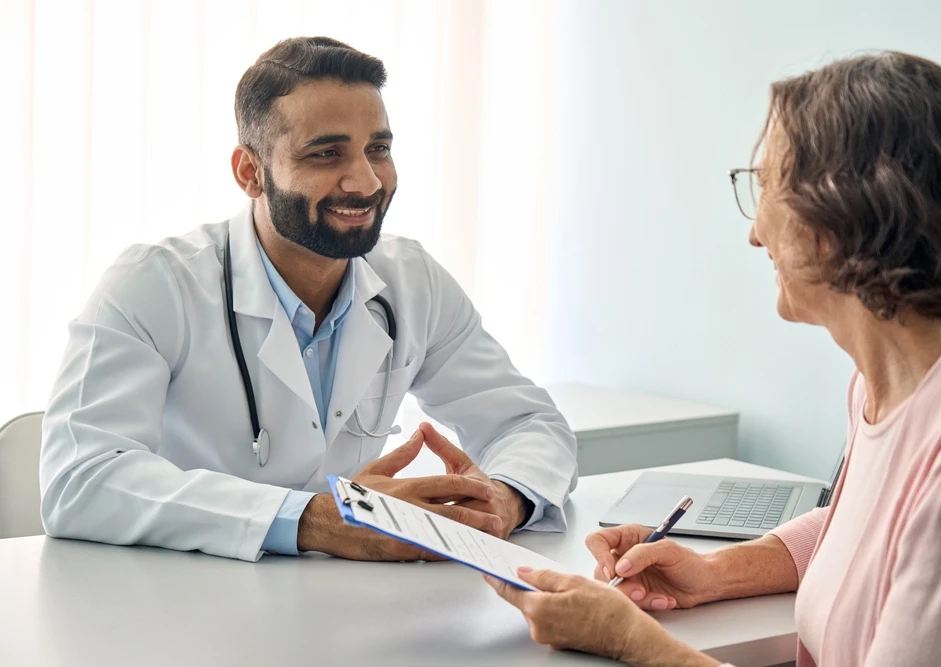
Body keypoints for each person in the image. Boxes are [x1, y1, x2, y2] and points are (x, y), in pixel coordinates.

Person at [486, 51, 941, 667]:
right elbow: (861, 536)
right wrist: (713, 572)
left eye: (766, 184)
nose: (754, 232)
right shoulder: (884, 382)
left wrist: (632, 641)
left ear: (840, 213)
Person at [39, 36, 578, 563]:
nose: (366, 181)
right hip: (188, 607)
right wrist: (317, 520)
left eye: (379, 149)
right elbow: (79, 479)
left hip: (349, 609)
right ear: (251, 172)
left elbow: (529, 424)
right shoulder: (154, 284)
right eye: (326, 153)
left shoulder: (414, 280)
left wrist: (503, 500)